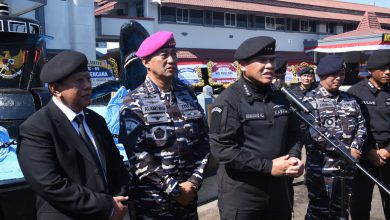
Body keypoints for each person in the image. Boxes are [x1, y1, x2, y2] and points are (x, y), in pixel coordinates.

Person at [17, 50, 130, 220]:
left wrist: (120, 199)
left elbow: (115, 163)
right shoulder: (36, 128)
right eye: (79, 81)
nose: (88, 86)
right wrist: (107, 206)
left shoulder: (95, 120)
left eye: (88, 79)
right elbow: (51, 185)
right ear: (55, 89)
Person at [209, 36, 304, 220]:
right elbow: (221, 149)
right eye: (262, 60)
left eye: (271, 60)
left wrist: (294, 157)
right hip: (243, 195)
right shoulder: (226, 101)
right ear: (243, 65)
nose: (269, 65)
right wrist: (268, 166)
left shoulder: (281, 96)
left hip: (279, 190)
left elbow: (294, 133)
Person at [118, 31, 210, 219]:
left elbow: (204, 141)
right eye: (163, 55)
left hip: (188, 200)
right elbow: (138, 155)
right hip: (153, 203)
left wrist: (194, 181)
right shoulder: (133, 102)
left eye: (173, 54)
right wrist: (174, 190)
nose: (171, 60)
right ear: (145, 62)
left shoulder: (188, 95)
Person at [302, 55, 366, 220]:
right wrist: (345, 152)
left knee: (342, 212)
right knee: (319, 213)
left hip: (347, 168)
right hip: (322, 169)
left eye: (341, 74)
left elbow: (361, 125)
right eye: (334, 75)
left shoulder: (350, 99)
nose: (338, 78)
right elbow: (315, 132)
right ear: (322, 75)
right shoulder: (309, 100)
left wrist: (355, 148)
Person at [348, 50, 390, 220]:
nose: (388, 72)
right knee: (360, 203)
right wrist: (368, 151)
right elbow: (349, 128)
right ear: (371, 70)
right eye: (384, 68)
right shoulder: (355, 92)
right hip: (364, 157)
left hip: (388, 154)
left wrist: (388, 150)